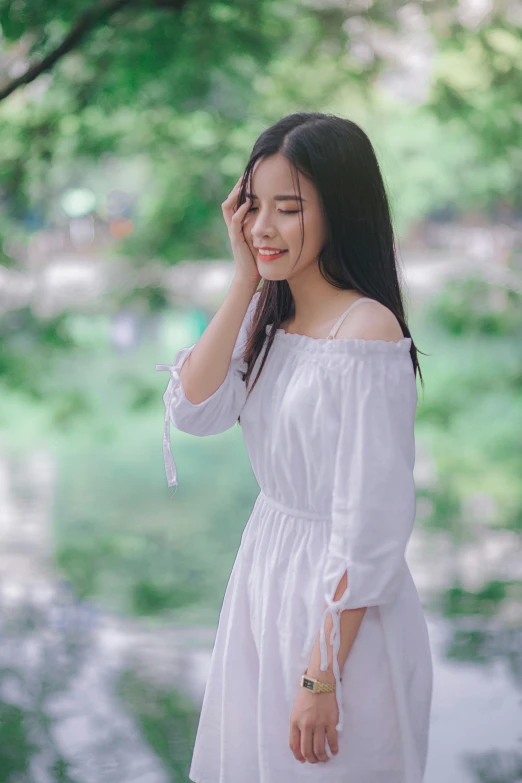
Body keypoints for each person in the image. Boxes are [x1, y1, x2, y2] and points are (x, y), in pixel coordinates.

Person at [156, 112, 433, 783]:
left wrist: (321, 676)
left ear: (339, 210)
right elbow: (194, 410)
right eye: (253, 206)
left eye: (289, 208)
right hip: (265, 578)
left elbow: (371, 524)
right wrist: (244, 278)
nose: (263, 227)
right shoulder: (267, 316)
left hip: (339, 615)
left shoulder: (365, 329)